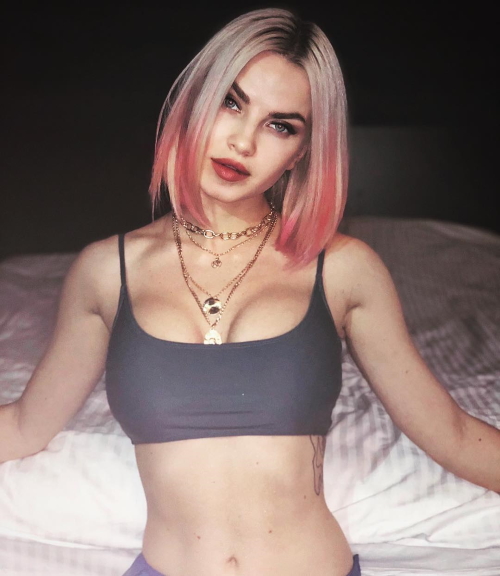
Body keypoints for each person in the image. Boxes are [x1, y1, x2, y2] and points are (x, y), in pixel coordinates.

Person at [1, 7, 499, 576]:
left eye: (280, 125)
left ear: (302, 151)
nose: (242, 141)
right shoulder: (105, 272)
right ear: (193, 102)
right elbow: (23, 426)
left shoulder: (342, 268)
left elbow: (453, 436)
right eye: (231, 103)